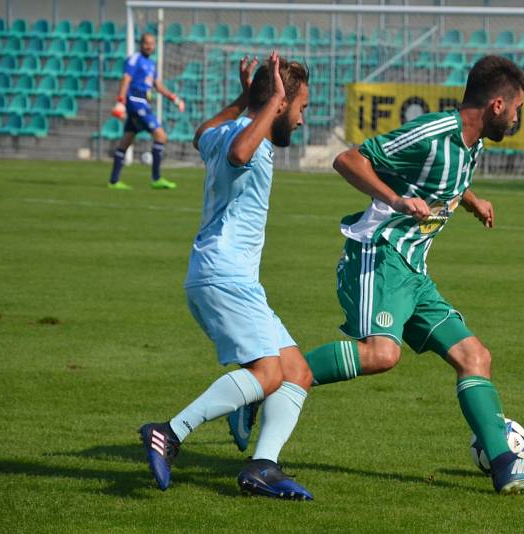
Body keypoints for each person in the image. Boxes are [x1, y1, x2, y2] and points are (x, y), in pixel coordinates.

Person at [228, 54, 524, 496]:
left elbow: (444, 178)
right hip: (379, 253)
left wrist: (471, 201)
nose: (519, 117)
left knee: (475, 357)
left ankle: (505, 466)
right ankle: (265, 385)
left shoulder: (473, 143)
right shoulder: (433, 132)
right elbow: (348, 159)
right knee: (381, 355)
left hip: (413, 271)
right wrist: (394, 199)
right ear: (497, 106)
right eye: (518, 107)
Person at [139, 52, 315, 500]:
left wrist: (243, 98)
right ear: (278, 104)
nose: (300, 119)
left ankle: (262, 466)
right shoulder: (248, 143)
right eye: (300, 108)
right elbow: (240, 154)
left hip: (221, 276)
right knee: (267, 371)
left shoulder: (225, 132)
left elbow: (202, 134)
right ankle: (170, 432)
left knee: (296, 371)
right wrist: (273, 97)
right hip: (226, 277)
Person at [108, 33, 185, 191]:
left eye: (152, 43)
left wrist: (174, 98)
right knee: (161, 136)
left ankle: (114, 181)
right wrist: (121, 100)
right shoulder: (134, 59)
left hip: (142, 102)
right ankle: (156, 178)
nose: (149, 46)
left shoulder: (151, 63)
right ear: (140, 44)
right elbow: (126, 79)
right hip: (136, 102)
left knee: (126, 141)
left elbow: (158, 85)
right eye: (146, 43)